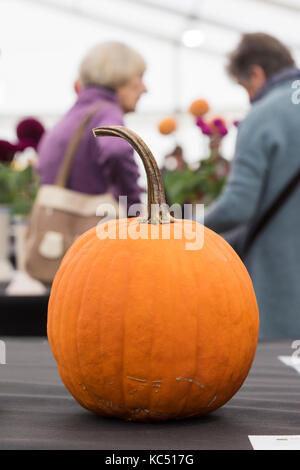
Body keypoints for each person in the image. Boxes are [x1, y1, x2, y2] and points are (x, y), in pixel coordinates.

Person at [204, 33, 300, 339]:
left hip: (283, 283)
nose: (249, 96)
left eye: (246, 87)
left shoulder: (265, 115)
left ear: (257, 73)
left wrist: (182, 227)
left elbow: (238, 206)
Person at [37, 41, 147, 210]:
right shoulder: (107, 112)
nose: (145, 89)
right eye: (140, 77)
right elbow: (116, 150)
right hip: (93, 229)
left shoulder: (71, 117)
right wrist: (133, 207)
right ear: (120, 75)